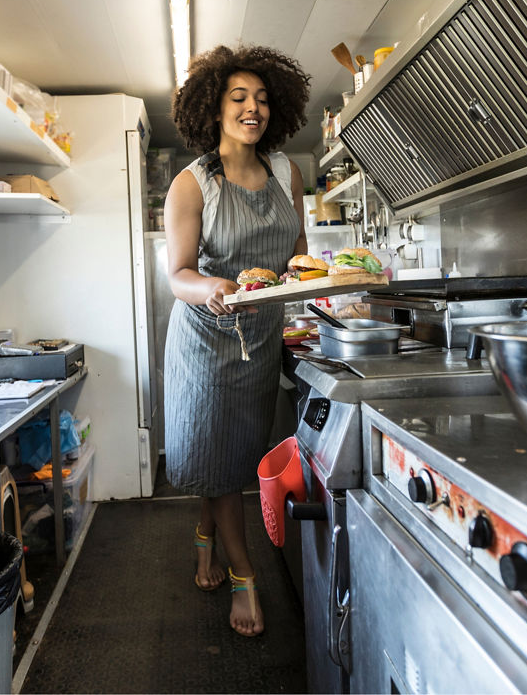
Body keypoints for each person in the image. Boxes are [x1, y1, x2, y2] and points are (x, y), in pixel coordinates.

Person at [163, 43, 310, 637]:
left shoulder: (286, 172)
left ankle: (206, 539)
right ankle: (244, 578)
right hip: (207, 342)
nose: (254, 109)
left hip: (262, 337)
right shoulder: (192, 184)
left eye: (263, 99)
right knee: (218, 459)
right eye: (239, 97)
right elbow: (178, 275)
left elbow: (295, 253)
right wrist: (213, 288)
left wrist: (322, 278)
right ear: (214, 107)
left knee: (229, 458)